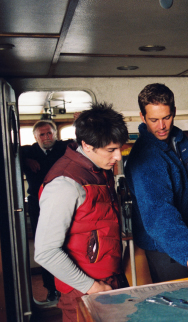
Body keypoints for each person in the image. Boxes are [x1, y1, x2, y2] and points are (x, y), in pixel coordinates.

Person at [34, 103, 129, 321]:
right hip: (84, 290)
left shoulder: (98, 169)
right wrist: (92, 286)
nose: (118, 157)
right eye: (111, 150)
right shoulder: (64, 183)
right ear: (86, 145)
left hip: (110, 281)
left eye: (119, 149)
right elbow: (46, 252)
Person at [125, 83, 188, 286]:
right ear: (142, 117)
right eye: (153, 120)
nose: (161, 126)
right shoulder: (147, 157)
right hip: (166, 247)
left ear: (174, 112)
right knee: (183, 306)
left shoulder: (180, 141)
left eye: (166, 117)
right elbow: (158, 213)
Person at [21, 120, 72, 301]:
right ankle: (51, 288)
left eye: (49, 133)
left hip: (64, 203)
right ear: (35, 137)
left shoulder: (64, 147)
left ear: (55, 134)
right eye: (42, 135)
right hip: (39, 206)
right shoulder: (27, 152)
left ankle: (69, 285)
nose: (46, 137)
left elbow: (85, 141)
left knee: (68, 245)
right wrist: (24, 160)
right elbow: (7, 152)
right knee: (45, 248)